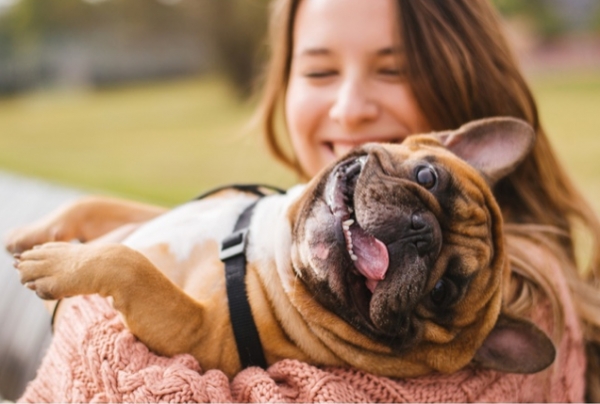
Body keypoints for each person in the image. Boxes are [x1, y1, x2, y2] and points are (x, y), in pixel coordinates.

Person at [6, 0, 600, 401]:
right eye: (318, 72)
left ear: (462, 81)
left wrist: (82, 300)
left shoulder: (525, 297)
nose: (348, 108)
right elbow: (187, 230)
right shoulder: (288, 227)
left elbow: (105, 388)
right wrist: (94, 220)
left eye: (391, 71)